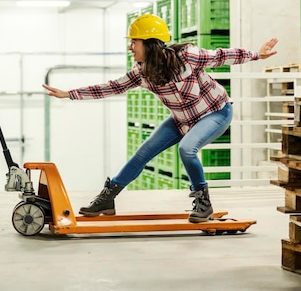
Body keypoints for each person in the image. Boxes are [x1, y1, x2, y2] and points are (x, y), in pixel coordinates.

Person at [42, 13, 278, 223]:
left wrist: (257, 54)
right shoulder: (141, 72)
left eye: (134, 42)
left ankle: (203, 203)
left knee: (187, 149)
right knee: (142, 154)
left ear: (150, 43)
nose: (130, 48)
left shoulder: (188, 56)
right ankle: (108, 198)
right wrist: (69, 94)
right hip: (181, 120)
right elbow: (112, 87)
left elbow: (221, 56)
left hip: (215, 112)